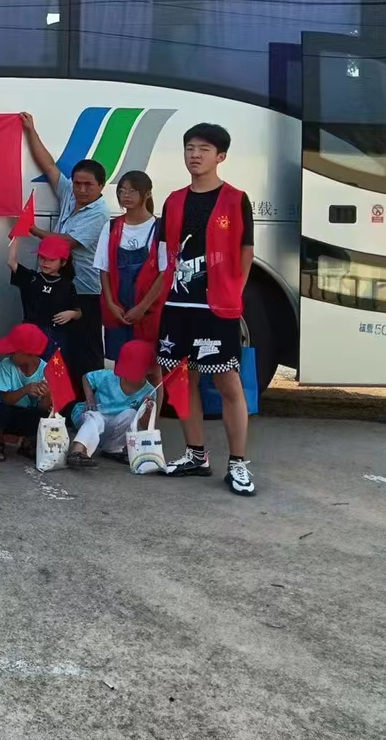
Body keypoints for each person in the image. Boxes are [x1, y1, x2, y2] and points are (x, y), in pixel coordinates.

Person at [130, 123, 256, 496]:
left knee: (228, 382)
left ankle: (238, 463)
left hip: (216, 308)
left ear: (221, 156)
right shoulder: (173, 200)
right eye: (189, 148)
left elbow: (246, 251)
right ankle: (195, 455)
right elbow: (165, 259)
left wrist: (233, 292)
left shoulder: (236, 199)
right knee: (182, 382)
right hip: (177, 306)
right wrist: (149, 303)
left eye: (204, 149)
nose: (195, 154)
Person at [21, 112, 109, 379]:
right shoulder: (70, 192)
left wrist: (32, 228)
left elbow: (66, 243)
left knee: (88, 347)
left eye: (88, 185)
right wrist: (31, 131)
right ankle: (66, 397)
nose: (81, 189)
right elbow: (48, 166)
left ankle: (92, 397)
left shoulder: (100, 212)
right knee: (65, 347)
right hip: (63, 287)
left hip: (85, 290)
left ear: (101, 185)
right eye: (78, 183)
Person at [96, 170, 161, 360]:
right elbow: (104, 269)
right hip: (119, 309)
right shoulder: (111, 226)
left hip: (149, 310)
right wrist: (111, 304)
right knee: (121, 362)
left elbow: (165, 273)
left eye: (132, 191)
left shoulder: (159, 228)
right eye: (122, 191)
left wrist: (142, 307)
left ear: (147, 193)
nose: (126, 195)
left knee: (150, 363)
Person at [67, 340, 161, 468]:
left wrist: (148, 411)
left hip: (114, 428)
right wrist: (90, 398)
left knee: (131, 414)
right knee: (95, 418)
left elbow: (144, 425)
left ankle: (112, 449)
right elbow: (87, 377)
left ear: (148, 369)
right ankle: (77, 450)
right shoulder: (108, 376)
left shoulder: (149, 391)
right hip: (93, 416)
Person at [0, 322, 52, 461]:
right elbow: (5, 399)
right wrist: (25, 390)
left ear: (28, 354)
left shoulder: (47, 370)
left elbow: (43, 408)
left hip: (27, 415)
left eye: (14, 351)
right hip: (6, 412)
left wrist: (47, 395)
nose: (10, 354)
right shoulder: (6, 365)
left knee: (41, 415)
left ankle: (28, 443)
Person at [8, 234, 81, 361]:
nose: (45, 262)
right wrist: (16, 239)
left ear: (63, 262)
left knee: (52, 367)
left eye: (51, 259)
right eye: (42, 257)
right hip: (30, 332)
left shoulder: (67, 285)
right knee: (27, 365)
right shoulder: (32, 278)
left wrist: (71, 314)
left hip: (55, 336)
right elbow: (11, 262)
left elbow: (78, 312)